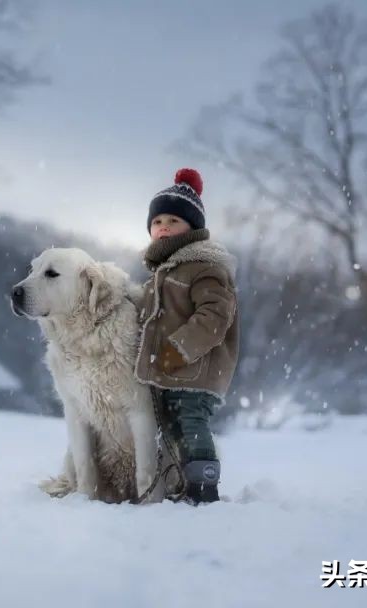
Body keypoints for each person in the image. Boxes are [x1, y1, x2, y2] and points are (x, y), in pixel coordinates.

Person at [135, 168, 240, 505]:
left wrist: (178, 349)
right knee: (171, 429)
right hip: (168, 370)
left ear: (193, 229)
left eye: (174, 221)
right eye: (157, 221)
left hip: (196, 369)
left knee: (190, 422)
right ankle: (180, 481)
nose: (163, 226)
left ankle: (204, 488)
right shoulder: (159, 276)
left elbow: (215, 315)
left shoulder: (204, 268)